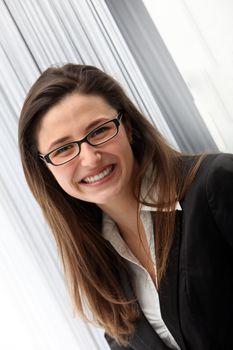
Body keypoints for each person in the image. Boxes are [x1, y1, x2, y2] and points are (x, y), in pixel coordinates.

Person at [18, 63, 233, 350]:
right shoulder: (96, 263)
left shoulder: (215, 183)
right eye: (63, 149)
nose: (90, 158)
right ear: (46, 168)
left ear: (127, 127)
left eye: (99, 131)